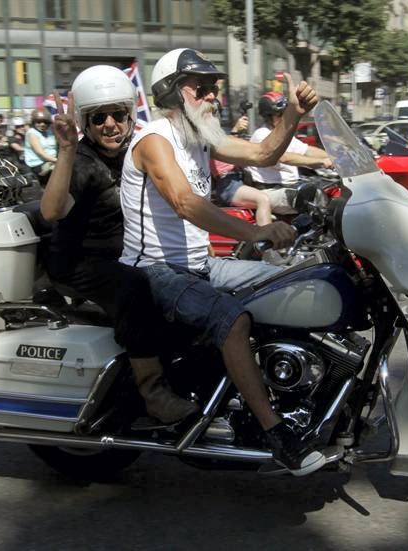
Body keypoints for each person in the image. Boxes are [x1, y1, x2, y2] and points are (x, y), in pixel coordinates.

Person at [120, 48, 324, 476]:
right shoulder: (154, 139)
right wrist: (254, 232)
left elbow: (265, 153)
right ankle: (277, 435)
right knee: (232, 322)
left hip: (201, 264)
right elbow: (184, 201)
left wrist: (293, 113)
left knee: (294, 279)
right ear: (174, 92)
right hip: (154, 271)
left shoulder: (201, 138)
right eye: (204, 87)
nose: (214, 95)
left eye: (215, 87)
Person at [41, 65, 197, 424]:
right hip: (83, 262)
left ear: (130, 115)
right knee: (137, 287)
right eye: (98, 118)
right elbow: (51, 211)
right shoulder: (82, 162)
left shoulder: (135, 149)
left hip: (126, 253)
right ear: (86, 122)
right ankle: (153, 392)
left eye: (118, 115)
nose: (110, 124)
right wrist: (65, 150)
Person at [245, 91, 333, 188]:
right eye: (279, 114)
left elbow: (306, 150)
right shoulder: (261, 134)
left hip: (291, 185)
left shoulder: (284, 135)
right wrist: (322, 162)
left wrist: (333, 157)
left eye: (285, 113)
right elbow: (284, 157)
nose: (284, 118)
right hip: (270, 187)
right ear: (268, 116)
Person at [209, 98, 272, 226]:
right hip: (228, 184)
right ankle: (265, 241)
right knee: (263, 199)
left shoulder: (219, 133)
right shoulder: (207, 136)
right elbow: (223, 147)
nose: (214, 117)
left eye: (216, 113)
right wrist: (235, 130)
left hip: (237, 179)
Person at [24, 107, 58, 185]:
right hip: (39, 164)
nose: (42, 124)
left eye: (45, 122)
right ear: (34, 122)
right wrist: (57, 161)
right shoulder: (32, 133)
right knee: (59, 171)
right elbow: (40, 152)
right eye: (38, 122)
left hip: (52, 161)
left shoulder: (50, 131)